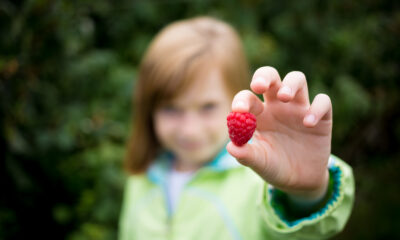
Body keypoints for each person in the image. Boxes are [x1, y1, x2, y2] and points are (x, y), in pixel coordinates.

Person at [119, 16, 355, 240]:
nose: (189, 130)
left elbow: (302, 232)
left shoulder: (260, 181)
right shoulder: (141, 178)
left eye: (207, 107)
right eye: (171, 109)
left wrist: (305, 193)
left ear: (237, 96)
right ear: (148, 109)